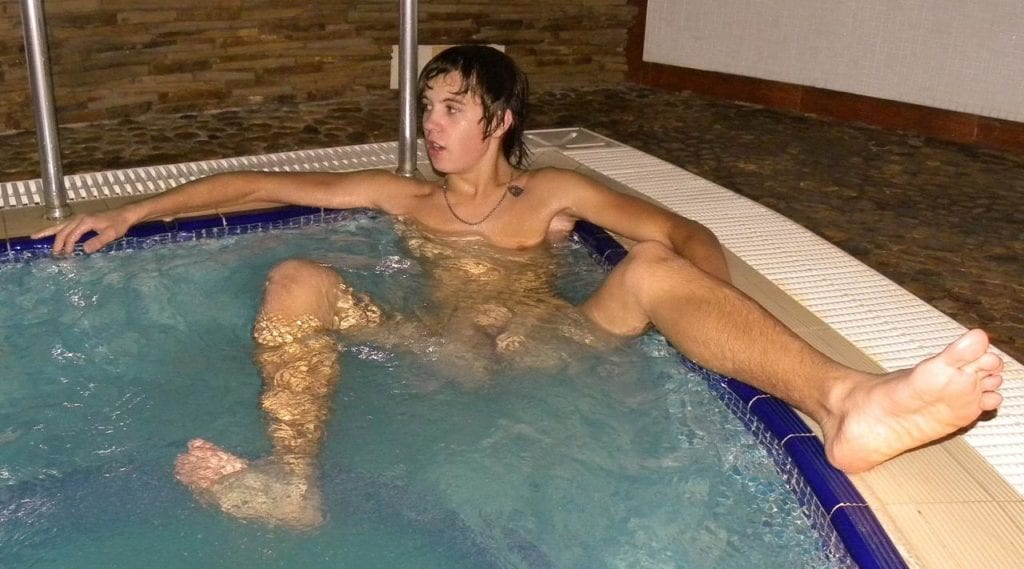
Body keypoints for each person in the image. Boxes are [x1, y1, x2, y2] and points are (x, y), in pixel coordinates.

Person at [34, 45, 1004, 529]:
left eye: (450, 108)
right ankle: (294, 476)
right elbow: (260, 187)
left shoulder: (553, 195)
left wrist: (695, 341)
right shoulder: (405, 198)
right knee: (296, 277)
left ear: (498, 121)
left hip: (551, 343)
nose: (431, 125)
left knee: (653, 270)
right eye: (427, 106)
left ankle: (847, 399)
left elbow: (685, 236)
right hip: (433, 346)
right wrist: (134, 211)